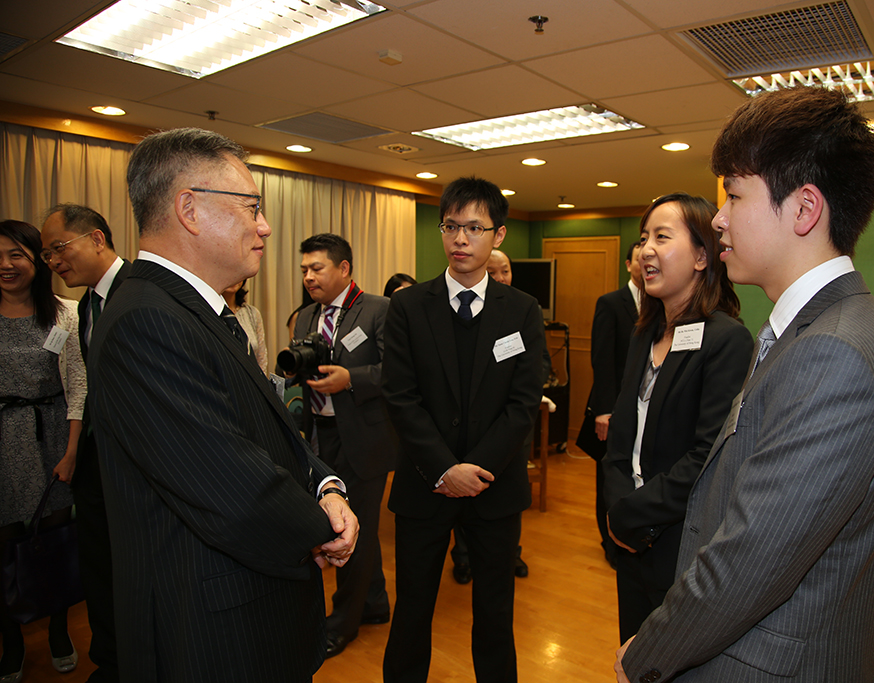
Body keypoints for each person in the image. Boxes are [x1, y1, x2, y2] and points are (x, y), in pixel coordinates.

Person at [615, 86, 874, 683]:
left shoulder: (834, 355)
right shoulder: (818, 331)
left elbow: (748, 561)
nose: (722, 218)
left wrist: (645, 655)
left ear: (804, 210)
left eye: (733, 194)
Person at [87, 127, 358, 683]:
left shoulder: (194, 312)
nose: (263, 226)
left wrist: (327, 486)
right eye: (251, 207)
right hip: (212, 633)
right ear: (189, 208)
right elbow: (235, 490)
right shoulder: (147, 321)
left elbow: (271, 432)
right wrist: (323, 527)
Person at [381, 176, 546, 683]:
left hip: (494, 490)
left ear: (498, 235)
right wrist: (445, 469)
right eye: (451, 226)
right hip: (424, 486)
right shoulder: (408, 308)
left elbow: (522, 406)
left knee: (495, 618)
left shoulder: (521, 310)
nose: (460, 238)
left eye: (474, 227)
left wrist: (474, 470)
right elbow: (400, 398)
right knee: (411, 615)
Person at [602, 193, 752, 644]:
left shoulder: (727, 340)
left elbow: (708, 456)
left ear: (703, 257)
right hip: (629, 540)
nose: (646, 249)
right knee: (631, 653)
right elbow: (620, 442)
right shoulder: (644, 333)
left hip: (681, 543)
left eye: (661, 237)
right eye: (644, 237)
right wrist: (617, 510)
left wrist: (630, 513)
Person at [293, 233, 397, 657]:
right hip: (317, 435)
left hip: (365, 438)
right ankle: (373, 603)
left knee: (351, 529)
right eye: (303, 270)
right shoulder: (303, 317)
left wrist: (350, 379)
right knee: (359, 529)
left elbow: (399, 372)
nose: (309, 277)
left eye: (317, 268)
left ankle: (342, 623)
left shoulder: (378, 310)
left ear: (344, 268)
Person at [41, 202, 129, 683]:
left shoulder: (140, 292)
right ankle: (109, 659)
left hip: (135, 463)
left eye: (59, 248)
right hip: (98, 458)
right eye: (46, 255)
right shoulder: (84, 306)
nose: (53, 261)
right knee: (98, 562)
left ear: (97, 238)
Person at [0, 219, 84, 682]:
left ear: (36, 259)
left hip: (51, 436)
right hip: (3, 439)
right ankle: (10, 640)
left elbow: (78, 386)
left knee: (53, 542)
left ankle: (57, 629)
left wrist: (71, 452)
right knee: (4, 544)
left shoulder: (64, 314)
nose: (6, 265)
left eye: (16, 254)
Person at [450, 248, 531, 584]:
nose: (500, 278)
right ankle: (463, 557)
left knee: (500, 516)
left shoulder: (522, 310)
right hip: (457, 447)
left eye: (506, 271)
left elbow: (532, 375)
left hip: (504, 443)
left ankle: (511, 554)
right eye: (494, 271)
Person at [579, 240, 643, 568]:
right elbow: (601, 360)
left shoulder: (660, 301)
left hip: (642, 410)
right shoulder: (611, 303)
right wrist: (603, 410)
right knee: (608, 478)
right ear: (629, 265)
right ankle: (608, 540)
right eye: (639, 258)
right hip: (612, 408)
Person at [223, 279, 268, 374]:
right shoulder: (210, 312)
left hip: (251, 381)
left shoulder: (252, 313)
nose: (234, 277)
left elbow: (261, 358)